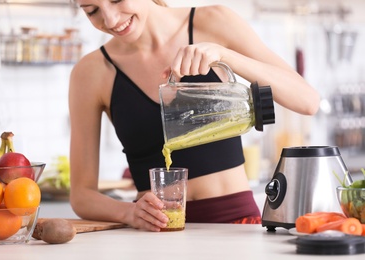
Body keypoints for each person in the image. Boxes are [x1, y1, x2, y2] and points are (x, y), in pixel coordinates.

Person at [68, 0, 320, 232]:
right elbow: (81, 195)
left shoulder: (212, 22)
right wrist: (129, 212)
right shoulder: (91, 72)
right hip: (156, 233)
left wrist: (224, 54)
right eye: (92, 10)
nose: (110, 20)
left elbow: (307, 101)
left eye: (116, 0)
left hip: (235, 225)